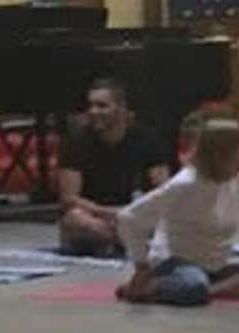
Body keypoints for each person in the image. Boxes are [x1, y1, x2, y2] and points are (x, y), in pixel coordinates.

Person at [117, 116, 239, 304]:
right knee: (193, 287)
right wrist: (141, 265)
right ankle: (151, 288)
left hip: (217, 263)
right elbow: (129, 217)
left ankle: (210, 290)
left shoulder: (237, 176)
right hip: (176, 261)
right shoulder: (185, 184)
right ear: (222, 153)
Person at [57, 77, 166, 257]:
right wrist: (107, 212)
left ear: (121, 108)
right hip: (93, 213)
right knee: (74, 219)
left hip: (132, 211)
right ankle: (128, 240)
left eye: (102, 106)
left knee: (166, 219)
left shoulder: (147, 138)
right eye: (90, 106)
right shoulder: (75, 141)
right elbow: (69, 198)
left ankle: (115, 241)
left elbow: (163, 188)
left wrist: (135, 211)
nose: (93, 111)